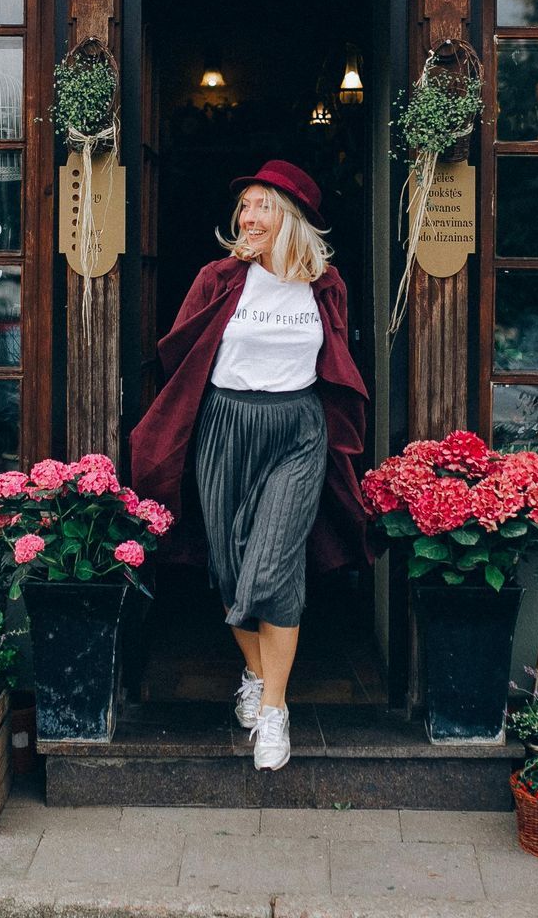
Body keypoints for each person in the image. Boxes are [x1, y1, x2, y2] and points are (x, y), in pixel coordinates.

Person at [128, 160, 372, 772]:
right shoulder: (217, 279)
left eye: (262, 205)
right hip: (226, 426)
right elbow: (180, 353)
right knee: (231, 570)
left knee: (275, 567)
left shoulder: (326, 286)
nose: (248, 216)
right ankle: (258, 677)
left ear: (290, 216)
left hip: (296, 430)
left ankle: (274, 712)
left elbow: (337, 361)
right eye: (245, 206)